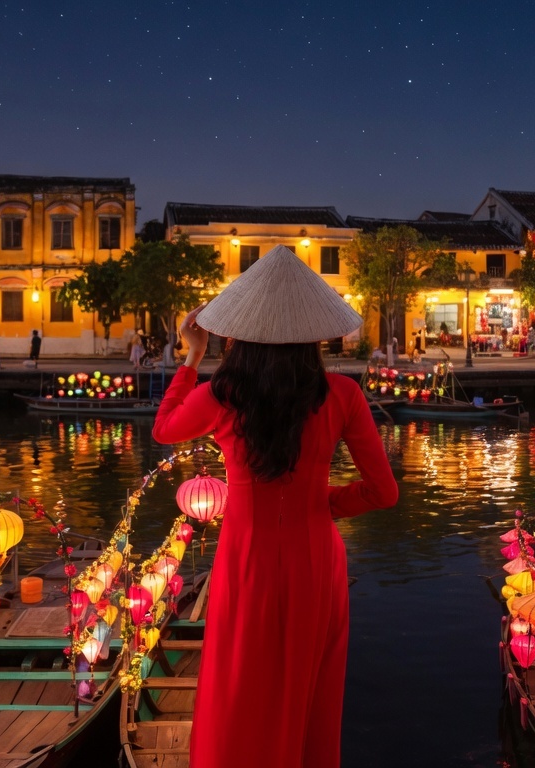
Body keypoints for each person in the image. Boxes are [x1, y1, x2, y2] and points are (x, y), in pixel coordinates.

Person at [152, 246, 397, 768]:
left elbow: (164, 428)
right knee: (311, 691)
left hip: (248, 559)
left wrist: (192, 356)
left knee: (243, 687)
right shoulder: (343, 394)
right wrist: (321, 503)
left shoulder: (222, 394)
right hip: (316, 560)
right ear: (312, 332)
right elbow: (383, 492)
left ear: (239, 331)